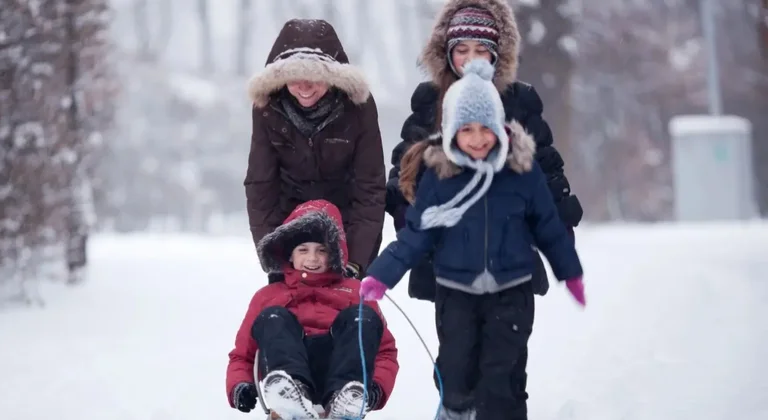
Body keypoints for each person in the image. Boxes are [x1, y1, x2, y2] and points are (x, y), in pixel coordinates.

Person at [360, 60, 586, 420]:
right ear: (451, 132)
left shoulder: (520, 173)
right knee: (455, 370)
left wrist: (569, 272)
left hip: (511, 289)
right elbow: (417, 234)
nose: (478, 138)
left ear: (499, 127)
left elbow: (548, 226)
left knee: (502, 373)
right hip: (456, 291)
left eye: (486, 128)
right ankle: (456, 411)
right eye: (467, 129)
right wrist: (381, 274)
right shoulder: (441, 177)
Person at [386, 0, 582, 300]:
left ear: (496, 53)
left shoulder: (518, 101)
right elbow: (405, 170)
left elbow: (546, 169)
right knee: (456, 342)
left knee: (507, 340)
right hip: (448, 251)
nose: (471, 59)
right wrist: (411, 222)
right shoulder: (431, 102)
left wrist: (560, 232)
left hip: (511, 245)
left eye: (481, 50)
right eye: (462, 50)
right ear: (447, 52)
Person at [226, 200, 399, 419]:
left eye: (321, 250)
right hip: (287, 367)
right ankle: (291, 396)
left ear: (335, 253)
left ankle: (345, 400)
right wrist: (240, 385)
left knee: (361, 318)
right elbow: (242, 355)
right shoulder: (268, 296)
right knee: (273, 317)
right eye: (303, 250)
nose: (312, 258)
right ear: (290, 254)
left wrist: (377, 388)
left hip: (341, 371)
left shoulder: (355, 291)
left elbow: (385, 352)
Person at [245, 18, 386, 280]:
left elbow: (370, 188)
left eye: (314, 77)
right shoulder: (268, 110)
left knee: (348, 315)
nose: (304, 86)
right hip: (291, 232)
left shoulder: (358, 109)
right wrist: (273, 253)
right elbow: (261, 185)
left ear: (332, 77)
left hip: (345, 225)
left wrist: (356, 259)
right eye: (294, 78)